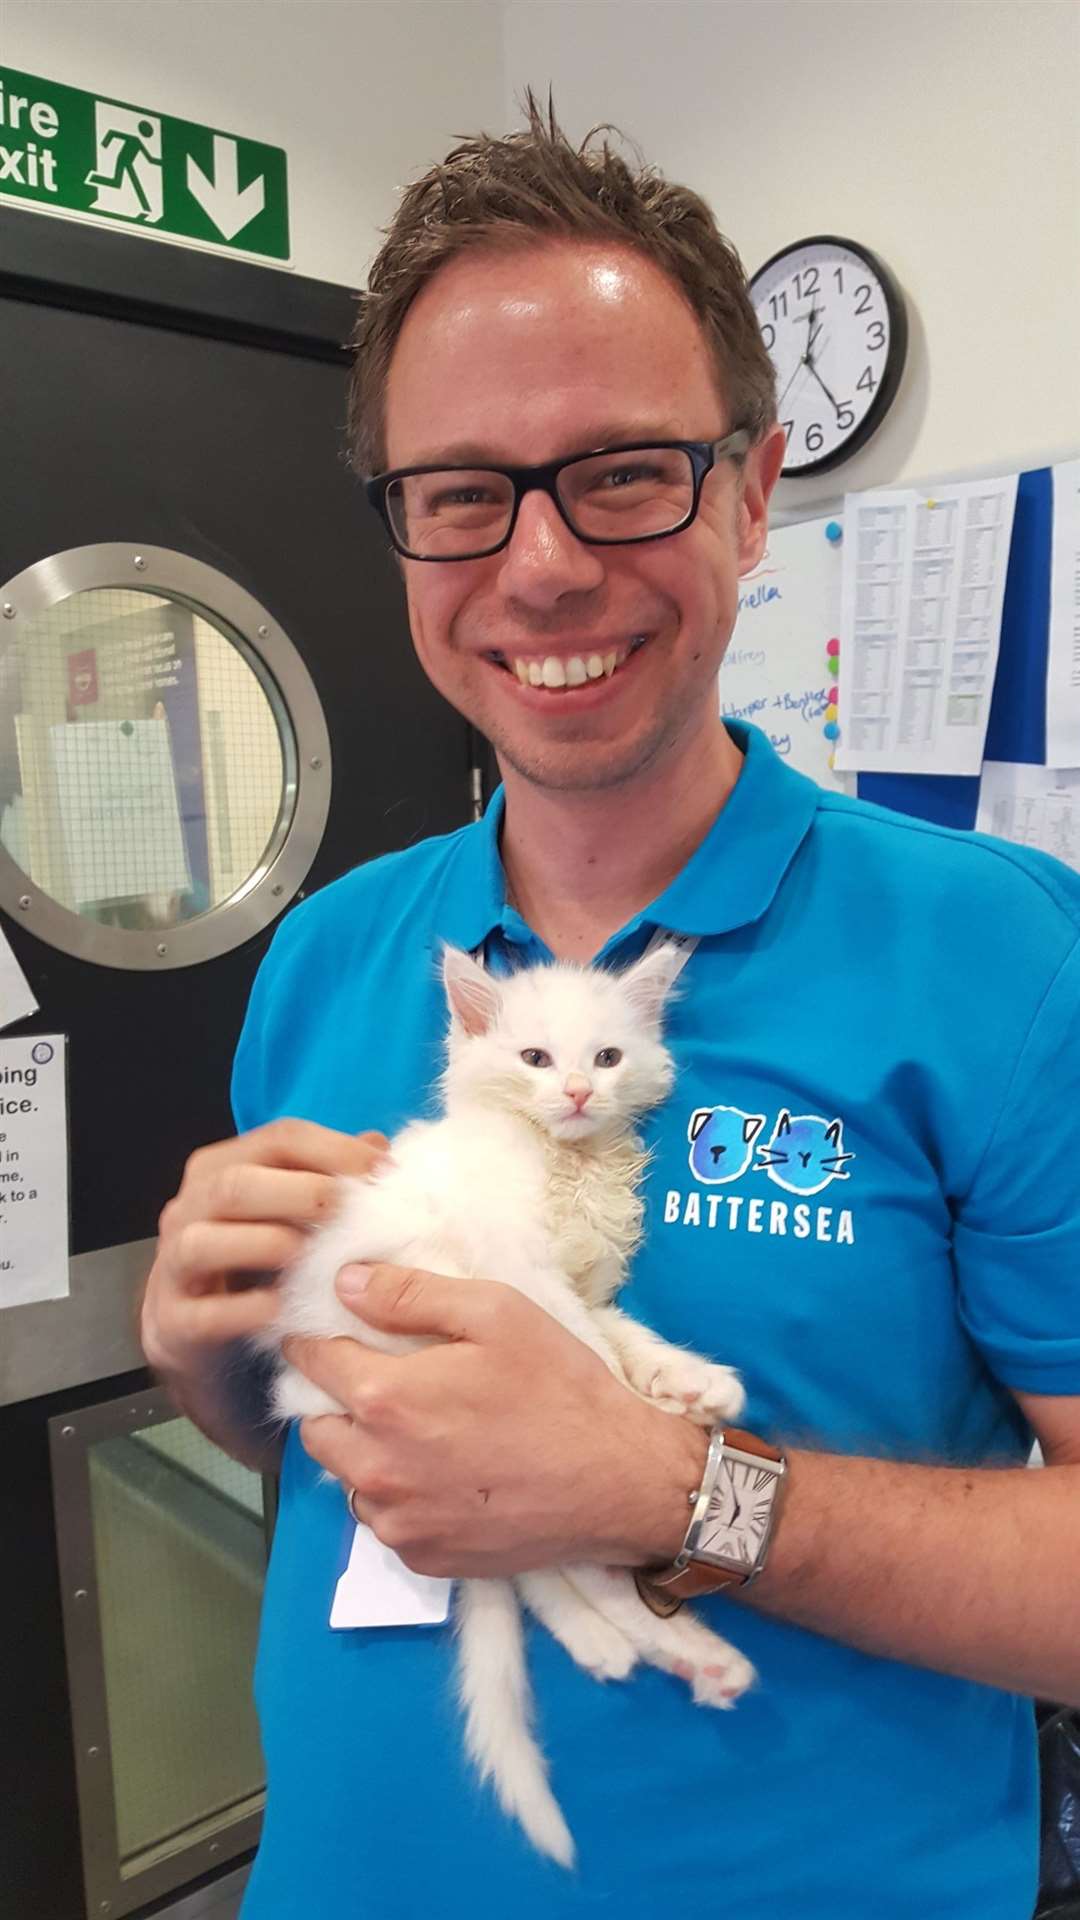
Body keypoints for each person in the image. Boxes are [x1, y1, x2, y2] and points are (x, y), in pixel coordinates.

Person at [141, 97, 1080, 1918]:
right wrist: (208, 1360)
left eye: (625, 470)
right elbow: (352, 1440)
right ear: (403, 532)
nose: (545, 564)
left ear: (748, 486)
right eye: (464, 493)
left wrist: (678, 1491)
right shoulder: (336, 955)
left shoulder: (1005, 955)